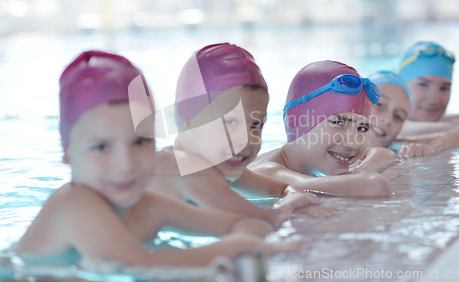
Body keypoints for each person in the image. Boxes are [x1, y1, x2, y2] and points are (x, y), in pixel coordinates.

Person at [16, 50, 296, 267]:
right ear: (66, 153)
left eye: (140, 142)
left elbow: (242, 224)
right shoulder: (74, 205)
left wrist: (246, 234)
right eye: (101, 147)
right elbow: (144, 267)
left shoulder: (149, 206)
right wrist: (238, 245)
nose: (126, 164)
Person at [149, 43, 325, 229]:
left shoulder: (219, 166)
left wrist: (292, 193)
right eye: (229, 122)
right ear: (187, 116)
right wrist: (292, 205)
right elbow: (264, 219)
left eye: (255, 125)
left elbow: (281, 188)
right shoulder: (182, 167)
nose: (246, 140)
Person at [249, 60, 393, 198]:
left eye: (361, 128)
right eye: (338, 122)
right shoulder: (263, 173)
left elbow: (383, 153)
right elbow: (374, 186)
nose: (352, 143)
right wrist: (359, 174)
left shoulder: (313, 161)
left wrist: (360, 170)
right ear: (295, 121)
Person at [398, 41, 459, 137]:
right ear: (400, 86)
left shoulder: (445, 120)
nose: (434, 100)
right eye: (423, 85)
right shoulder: (387, 127)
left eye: (444, 88)